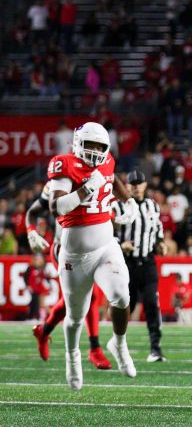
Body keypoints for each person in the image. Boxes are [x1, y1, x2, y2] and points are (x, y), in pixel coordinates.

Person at [47, 122, 140, 390]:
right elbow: (57, 207)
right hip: (75, 256)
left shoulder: (107, 162)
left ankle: (119, 343)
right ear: (78, 143)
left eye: (100, 147)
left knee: (121, 296)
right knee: (76, 316)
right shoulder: (65, 164)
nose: (96, 152)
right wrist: (87, 188)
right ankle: (72, 356)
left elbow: (113, 179)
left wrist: (129, 201)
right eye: (91, 145)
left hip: (105, 246)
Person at [28, 181, 112, 369]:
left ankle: (44, 331)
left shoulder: (99, 176)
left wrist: (125, 205)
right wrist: (31, 231)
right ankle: (95, 348)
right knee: (88, 296)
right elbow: (33, 211)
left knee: (75, 300)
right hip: (65, 250)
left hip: (91, 249)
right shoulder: (59, 180)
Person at [113, 170, 168, 362]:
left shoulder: (152, 205)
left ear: (145, 185)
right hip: (126, 263)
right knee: (126, 306)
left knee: (152, 303)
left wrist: (161, 243)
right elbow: (107, 232)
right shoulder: (117, 206)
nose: (136, 187)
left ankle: (156, 348)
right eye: (133, 183)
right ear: (126, 186)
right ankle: (119, 344)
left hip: (147, 261)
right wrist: (121, 245)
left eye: (139, 183)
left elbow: (157, 228)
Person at [24, 253, 50, 320]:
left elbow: (46, 279)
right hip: (34, 289)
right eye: (37, 259)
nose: (38, 261)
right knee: (35, 302)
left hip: (41, 288)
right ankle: (35, 316)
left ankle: (44, 316)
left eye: (40, 259)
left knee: (41, 303)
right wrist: (28, 286)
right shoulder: (30, 268)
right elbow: (26, 277)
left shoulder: (43, 269)